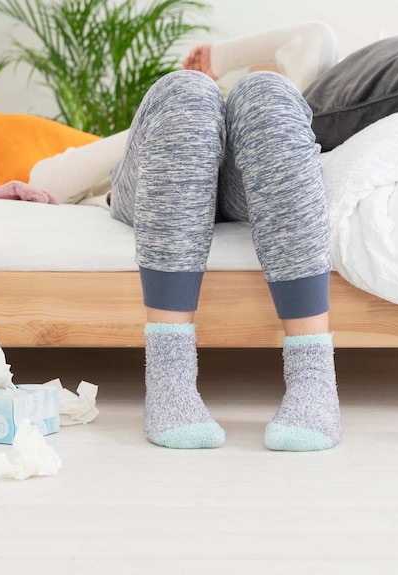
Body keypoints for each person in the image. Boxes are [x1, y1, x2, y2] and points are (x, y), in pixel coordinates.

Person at [32, 22, 341, 451]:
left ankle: (314, 380)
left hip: (247, 183)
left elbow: (318, 36)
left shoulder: (286, 93)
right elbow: (47, 176)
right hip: (157, 179)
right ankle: (169, 379)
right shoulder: (193, 99)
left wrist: (226, 69)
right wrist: (206, 86)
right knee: (186, 91)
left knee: (267, 91)